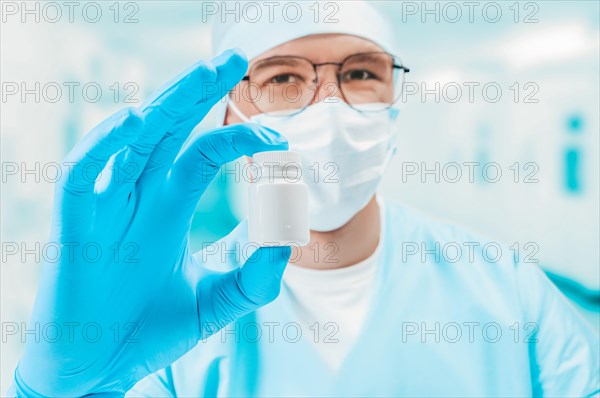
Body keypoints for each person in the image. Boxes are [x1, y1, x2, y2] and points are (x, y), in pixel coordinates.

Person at [10, 2, 599, 397]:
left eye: (362, 74)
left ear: (395, 96)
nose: (331, 110)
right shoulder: (168, 312)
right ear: (230, 110)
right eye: (284, 77)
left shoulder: (504, 284)